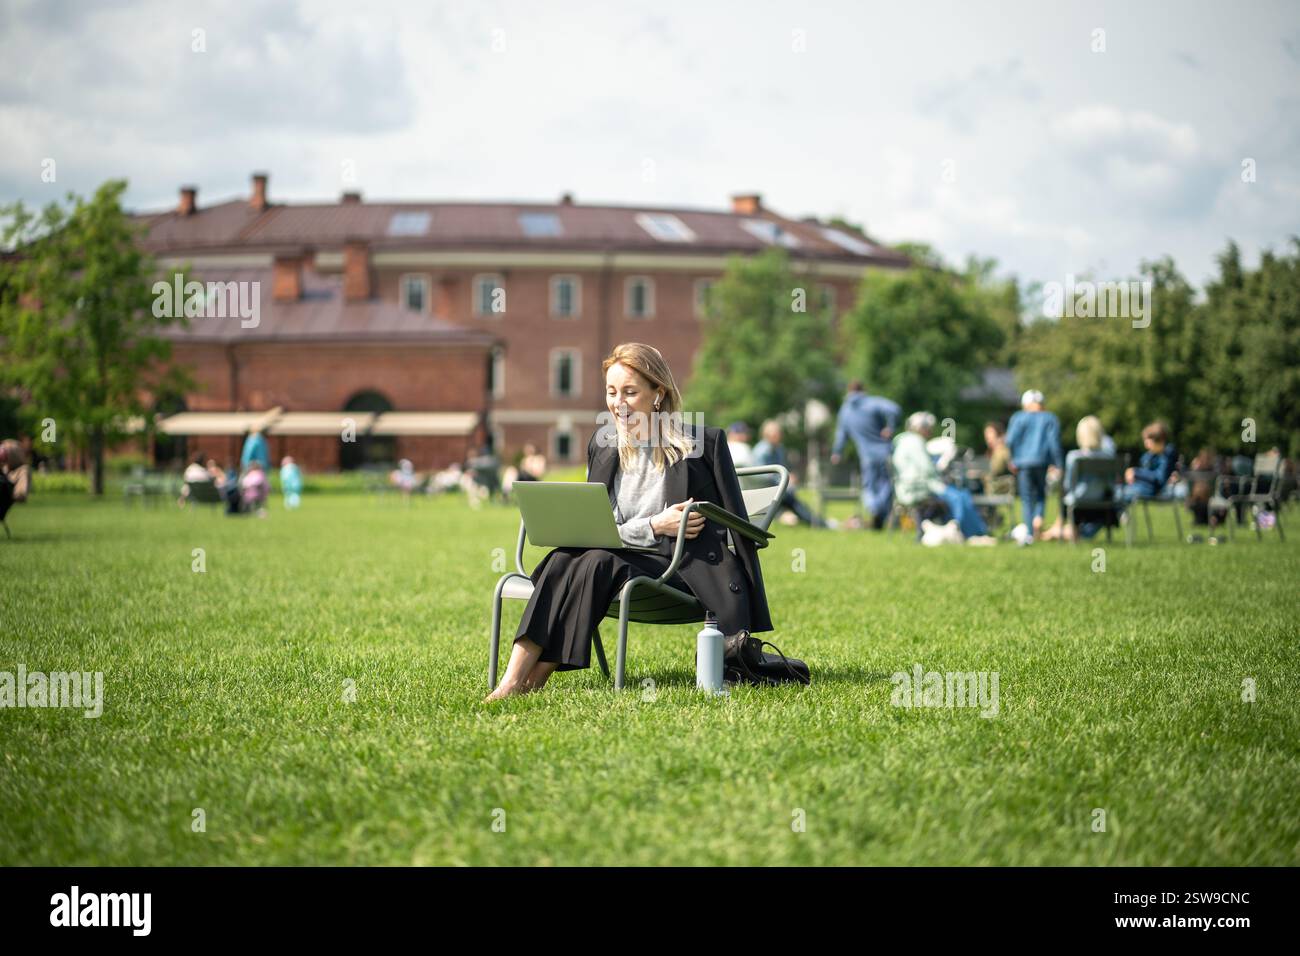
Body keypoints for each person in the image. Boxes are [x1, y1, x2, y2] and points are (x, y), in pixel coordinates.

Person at [486, 342, 774, 701]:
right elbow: (600, 525)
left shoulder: (701, 444)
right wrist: (653, 524)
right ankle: (513, 680)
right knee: (564, 558)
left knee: (596, 560)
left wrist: (744, 613)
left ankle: (534, 678)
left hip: (676, 568)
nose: (617, 402)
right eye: (611, 391)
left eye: (630, 392)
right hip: (616, 557)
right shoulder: (604, 444)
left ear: (658, 393)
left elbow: (738, 524)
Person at [891, 412, 992, 543]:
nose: (930, 432)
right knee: (959, 496)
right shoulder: (915, 442)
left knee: (960, 495)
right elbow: (927, 468)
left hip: (910, 487)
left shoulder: (904, 441)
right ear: (921, 428)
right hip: (918, 488)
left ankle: (973, 531)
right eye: (929, 429)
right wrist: (941, 471)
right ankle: (970, 531)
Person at [831, 382, 901, 530]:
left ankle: (874, 509)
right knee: (887, 485)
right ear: (863, 390)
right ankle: (880, 512)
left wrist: (837, 452)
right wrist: (890, 427)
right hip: (885, 452)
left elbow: (841, 435)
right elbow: (894, 409)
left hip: (866, 456)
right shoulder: (872, 402)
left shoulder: (845, 411)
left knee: (869, 487)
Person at [1041, 415, 1118, 542]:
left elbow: (1068, 485)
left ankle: (1057, 530)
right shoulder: (1109, 457)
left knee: (1064, 497)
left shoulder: (1074, 457)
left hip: (1079, 505)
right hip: (1104, 504)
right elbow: (1111, 483)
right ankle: (1057, 531)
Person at [1005, 389, 1063, 544]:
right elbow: (1054, 444)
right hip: (1042, 462)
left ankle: (1029, 533)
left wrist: (1013, 460)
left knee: (1026, 498)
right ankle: (1038, 518)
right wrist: (1058, 464)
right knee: (1040, 495)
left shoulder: (1018, 418)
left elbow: (1010, 441)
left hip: (1023, 464)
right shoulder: (1050, 418)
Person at [751, 419, 828, 528]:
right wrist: (784, 478)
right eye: (778, 433)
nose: (780, 435)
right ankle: (818, 523)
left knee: (794, 503)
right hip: (767, 491)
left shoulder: (779, 449)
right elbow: (761, 475)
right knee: (795, 504)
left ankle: (816, 522)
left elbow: (781, 468)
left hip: (778, 489)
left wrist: (787, 477)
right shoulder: (762, 451)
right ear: (768, 434)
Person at [1122, 421, 1178, 501]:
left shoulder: (1167, 454)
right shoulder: (1150, 456)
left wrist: (1136, 472)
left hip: (1158, 490)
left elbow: (1159, 478)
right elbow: (1146, 470)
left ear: (1159, 441)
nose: (1146, 443)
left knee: (1122, 493)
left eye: (1148, 439)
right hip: (1145, 487)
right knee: (1119, 491)